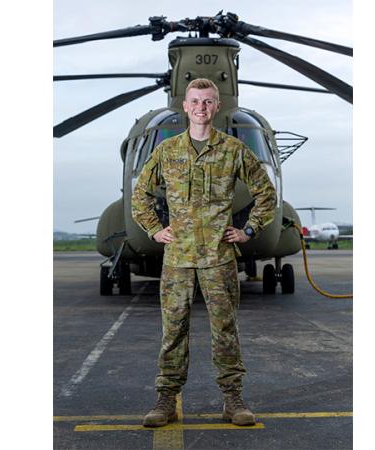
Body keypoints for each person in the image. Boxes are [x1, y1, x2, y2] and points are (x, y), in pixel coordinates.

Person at [131, 78, 276, 427]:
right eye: (195, 101)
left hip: (218, 257)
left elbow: (266, 194)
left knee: (225, 329)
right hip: (178, 259)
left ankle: (233, 399)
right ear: (185, 106)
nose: (201, 107)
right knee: (173, 330)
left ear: (217, 107)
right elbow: (141, 197)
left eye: (208, 101)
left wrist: (248, 230)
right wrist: (154, 229)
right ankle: (166, 400)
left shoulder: (233, 150)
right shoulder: (167, 152)